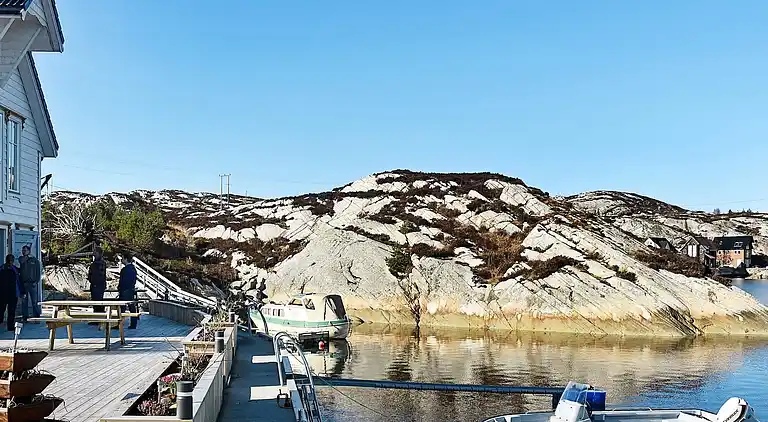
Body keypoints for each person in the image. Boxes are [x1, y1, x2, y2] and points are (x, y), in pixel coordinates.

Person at [19, 245, 41, 322]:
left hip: (32, 284)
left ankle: (36, 317)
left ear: (29, 251)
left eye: (25, 250)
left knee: (34, 302)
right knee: (24, 302)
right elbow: (22, 261)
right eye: (23, 250)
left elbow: (38, 272)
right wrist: (26, 255)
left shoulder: (34, 260)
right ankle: (25, 317)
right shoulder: (21, 259)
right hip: (24, 284)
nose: (24, 252)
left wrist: (36, 281)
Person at [0, 254, 21, 331]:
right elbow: (18, 282)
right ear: (12, 261)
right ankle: (10, 326)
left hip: (3, 293)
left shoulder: (1, 268)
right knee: (11, 311)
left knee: (1, 309)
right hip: (12, 293)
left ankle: (2, 322)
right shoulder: (14, 269)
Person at [118, 254, 138, 329]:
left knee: (121, 308)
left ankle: (119, 324)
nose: (122, 260)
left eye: (123, 258)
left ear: (126, 259)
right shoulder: (133, 269)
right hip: (131, 290)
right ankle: (133, 324)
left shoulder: (125, 270)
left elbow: (122, 281)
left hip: (124, 291)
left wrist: (120, 288)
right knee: (131, 307)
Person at [88, 247, 107, 317]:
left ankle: (99, 318)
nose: (93, 254)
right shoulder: (97, 263)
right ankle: (97, 317)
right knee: (96, 302)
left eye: (95, 252)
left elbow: (98, 275)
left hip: (97, 285)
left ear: (98, 253)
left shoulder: (99, 263)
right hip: (96, 285)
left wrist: (93, 280)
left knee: (98, 302)